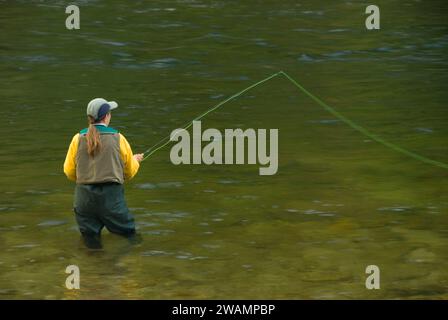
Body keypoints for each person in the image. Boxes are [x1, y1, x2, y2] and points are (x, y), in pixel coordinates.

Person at [63, 98, 144, 249]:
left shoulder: (77, 138)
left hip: (83, 199)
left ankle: (93, 268)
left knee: (91, 243)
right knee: (131, 236)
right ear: (107, 116)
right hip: (111, 198)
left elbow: (69, 171)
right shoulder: (119, 138)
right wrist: (136, 161)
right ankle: (128, 264)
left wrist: (85, 179)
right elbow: (129, 172)